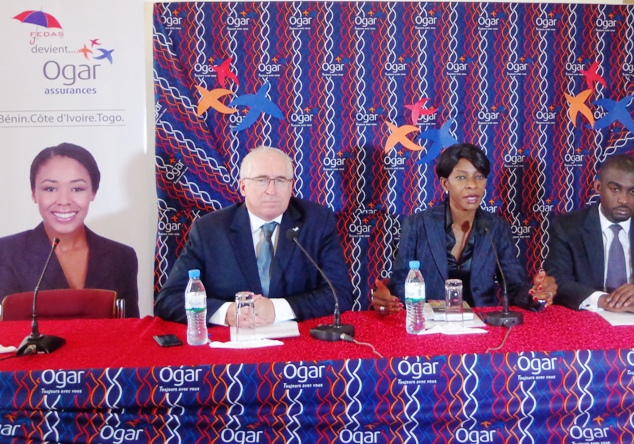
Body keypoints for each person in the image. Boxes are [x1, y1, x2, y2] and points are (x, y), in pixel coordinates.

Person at [155, 146, 353, 326]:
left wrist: (276, 309)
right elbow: (169, 299)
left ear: (291, 186)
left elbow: (340, 294)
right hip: (229, 343)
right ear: (243, 187)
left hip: (297, 342)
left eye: (280, 180)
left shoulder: (317, 222)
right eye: (261, 180)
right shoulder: (209, 230)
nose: (271, 190)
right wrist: (227, 313)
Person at [372, 143, 556, 314]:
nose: (472, 185)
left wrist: (535, 295)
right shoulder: (417, 224)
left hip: (483, 324)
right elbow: (400, 285)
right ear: (445, 183)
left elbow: (515, 287)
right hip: (431, 324)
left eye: (479, 177)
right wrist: (385, 299)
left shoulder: (496, 227)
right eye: (461, 177)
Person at [0, 143, 139, 317]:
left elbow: (130, 328)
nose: (64, 201)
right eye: (50, 188)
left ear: (93, 192)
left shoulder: (121, 257)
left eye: (77, 189)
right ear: (34, 193)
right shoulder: (5, 253)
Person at [543, 154, 634, 315]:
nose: (624, 200)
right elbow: (556, 280)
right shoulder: (568, 227)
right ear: (598, 187)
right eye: (615, 189)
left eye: (633, 191)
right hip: (590, 317)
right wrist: (603, 301)